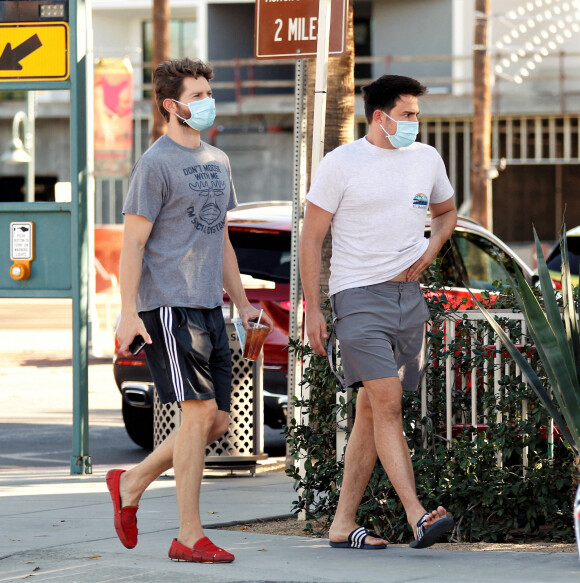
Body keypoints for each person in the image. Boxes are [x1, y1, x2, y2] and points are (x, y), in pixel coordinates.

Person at [106, 57, 272, 564]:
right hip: (168, 306)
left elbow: (219, 238)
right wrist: (128, 312)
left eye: (206, 94)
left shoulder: (217, 162)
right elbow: (132, 245)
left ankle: (131, 480)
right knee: (197, 414)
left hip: (209, 306)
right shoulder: (154, 164)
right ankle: (189, 535)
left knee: (217, 421)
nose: (205, 104)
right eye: (195, 96)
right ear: (170, 105)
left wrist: (242, 303)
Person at [299, 74, 458, 550]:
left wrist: (431, 253)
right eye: (408, 114)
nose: (415, 123)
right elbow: (310, 238)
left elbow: (446, 211)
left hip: (408, 299)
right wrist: (314, 308)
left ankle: (342, 523)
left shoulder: (426, 158)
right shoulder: (341, 163)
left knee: (371, 410)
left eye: (417, 115)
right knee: (387, 402)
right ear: (379, 116)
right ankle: (418, 515)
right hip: (357, 296)